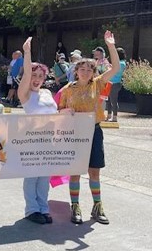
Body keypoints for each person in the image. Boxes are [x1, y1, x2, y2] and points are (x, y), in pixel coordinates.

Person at [58, 30, 120, 225]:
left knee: (95, 171)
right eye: (82, 69)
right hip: (75, 134)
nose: (85, 72)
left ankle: (97, 206)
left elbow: (116, 67)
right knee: (75, 171)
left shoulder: (97, 84)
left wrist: (110, 45)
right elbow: (60, 112)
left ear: (93, 72)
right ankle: (75, 207)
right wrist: (65, 113)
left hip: (94, 131)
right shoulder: (68, 89)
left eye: (89, 69)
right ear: (76, 71)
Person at [17, 37, 58, 224]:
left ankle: (43, 208)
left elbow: (55, 114)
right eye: (34, 76)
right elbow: (26, 75)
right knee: (32, 177)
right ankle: (31, 209)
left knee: (44, 178)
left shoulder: (47, 93)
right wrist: (27, 53)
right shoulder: (25, 95)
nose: (37, 79)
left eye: (40, 76)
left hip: (50, 140)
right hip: (32, 140)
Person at [105, 47, 127, 122]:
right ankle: (109, 115)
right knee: (107, 99)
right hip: (110, 82)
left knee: (113, 100)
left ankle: (114, 117)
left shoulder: (122, 63)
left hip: (115, 83)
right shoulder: (118, 63)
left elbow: (115, 70)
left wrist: (109, 66)